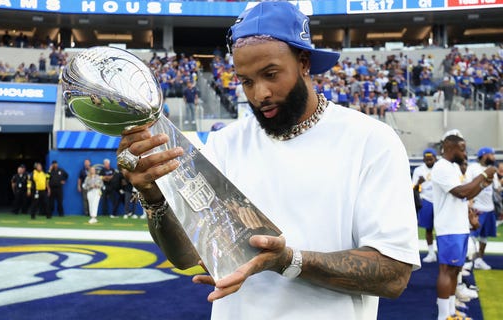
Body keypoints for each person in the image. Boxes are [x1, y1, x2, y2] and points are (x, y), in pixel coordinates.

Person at [117, 2, 419, 319]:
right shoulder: (224, 144)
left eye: (270, 75)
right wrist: (153, 196)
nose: (260, 93)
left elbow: (394, 274)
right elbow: (185, 255)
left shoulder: (371, 141)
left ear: (304, 62)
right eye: (246, 81)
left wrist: (288, 261)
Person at [431, 133, 497, 320]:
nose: (464, 152)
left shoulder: (452, 168)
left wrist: (483, 184)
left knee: (455, 270)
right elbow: (461, 192)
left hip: (458, 226)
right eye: (462, 148)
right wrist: (484, 175)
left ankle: (452, 312)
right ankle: (443, 316)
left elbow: (466, 196)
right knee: (447, 269)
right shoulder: (441, 167)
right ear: (450, 148)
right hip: (448, 227)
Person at [464, 147, 501, 270]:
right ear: (484, 155)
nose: (494, 157)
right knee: (473, 235)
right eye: (492, 154)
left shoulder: (492, 169)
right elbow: (467, 184)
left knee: (485, 236)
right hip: (477, 207)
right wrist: (470, 203)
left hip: (489, 208)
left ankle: (479, 259)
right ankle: (470, 259)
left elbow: (496, 188)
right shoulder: (473, 167)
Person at [412, 148, 438, 263]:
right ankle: (431, 253)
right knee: (428, 229)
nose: (428, 161)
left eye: (430, 159)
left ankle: (442, 253)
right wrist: (419, 183)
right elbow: (414, 189)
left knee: (442, 228)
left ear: (435, 158)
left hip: (439, 201)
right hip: (426, 200)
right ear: (423, 159)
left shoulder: (440, 169)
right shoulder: (418, 170)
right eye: (426, 159)